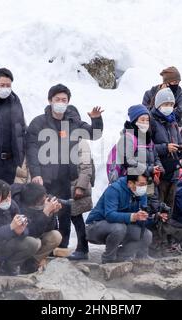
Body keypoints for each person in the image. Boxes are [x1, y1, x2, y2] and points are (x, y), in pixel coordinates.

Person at [26, 84, 104, 257]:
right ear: (50, 101)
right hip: (45, 177)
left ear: (68, 102)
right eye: (57, 99)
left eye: (64, 100)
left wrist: (96, 120)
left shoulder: (73, 122)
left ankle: (67, 247)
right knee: (45, 210)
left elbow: (95, 134)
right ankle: (47, 247)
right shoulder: (39, 122)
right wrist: (36, 173)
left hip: (66, 177)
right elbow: (31, 150)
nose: (60, 103)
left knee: (68, 212)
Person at [85, 174, 153, 264]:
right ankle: (108, 260)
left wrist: (153, 217)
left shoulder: (141, 193)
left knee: (146, 235)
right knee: (119, 228)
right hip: (96, 227)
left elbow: (142, 220)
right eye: (141, 184)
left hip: (122, 226)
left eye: (146, 184)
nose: (144, 187)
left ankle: (121, 256)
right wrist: (133, 216)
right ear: (130, 183)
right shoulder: (114, 189)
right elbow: (110, 215)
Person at [150, 88, 182, 212]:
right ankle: (156, 231)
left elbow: (177, 145)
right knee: (157, 209)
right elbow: (146, 147)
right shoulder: (151, 122)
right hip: (159, 174)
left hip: (173, 173)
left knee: (169, 210)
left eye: (171, 105)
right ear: (158, 105)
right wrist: (165, 148)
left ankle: (166, 231)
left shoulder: (173, 122)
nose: (169, 107)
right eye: (166, 104)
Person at [17, 183, 63, 272]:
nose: (45, 199)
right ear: (34, 200)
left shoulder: (41, 206)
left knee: (56, 236)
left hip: (36, 237)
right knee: (36, 242)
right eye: (42, 198)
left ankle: (32, 262)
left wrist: (51, 213)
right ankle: (19, 263)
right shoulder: (21, 209)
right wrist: (45, 212)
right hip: (24, 241)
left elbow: (50, 229)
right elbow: (32, 232)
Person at [67, 139, 95, 261]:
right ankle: (61, 246)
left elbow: (86, 167)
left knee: (76, 217)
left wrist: (80, 187)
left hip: (76, 186)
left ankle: (82, 249)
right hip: (64, 185)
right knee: (63, 216)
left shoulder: (81, 143)